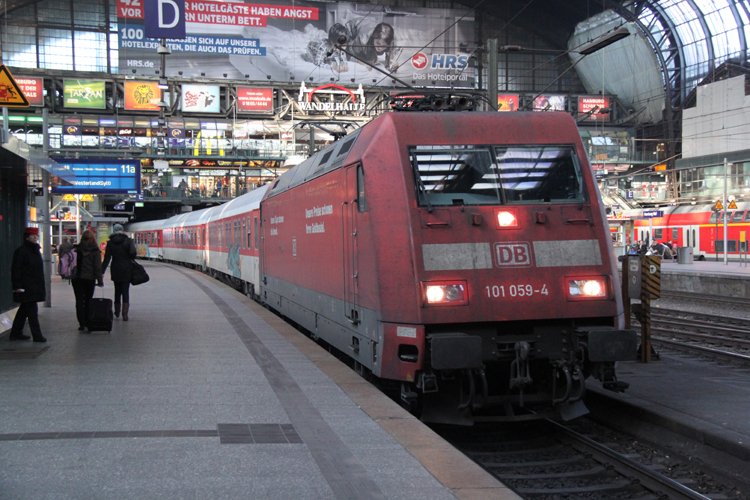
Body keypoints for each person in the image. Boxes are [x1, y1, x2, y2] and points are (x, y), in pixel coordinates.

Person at [9, 227, 47, 342]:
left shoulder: (35, 251)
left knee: (24, 310)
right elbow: (16, 269)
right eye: (32, 236)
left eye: (36, 236)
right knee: (32, 311)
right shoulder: (21, 251)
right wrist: (17, 286)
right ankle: (37, 335)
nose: (35, 238)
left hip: (33, 285)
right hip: (27, 286)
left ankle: (16, 332)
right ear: (27, 237)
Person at [102, 224, 137, 321]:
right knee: (125, 291)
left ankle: (117, 311)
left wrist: (102, 271)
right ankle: (125, 314)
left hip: (115, 268)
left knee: (117, 291)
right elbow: (133, 254)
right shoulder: (128, 241)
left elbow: (107, 258)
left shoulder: (110, 243)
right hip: (126, 269)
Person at [72, 230, 104, 331]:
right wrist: (100, 280)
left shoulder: (77, 249)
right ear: (93, 238)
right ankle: (88, 321)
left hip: (77, 278)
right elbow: (97, 267)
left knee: (79, 301)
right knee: (88, 300)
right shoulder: (95, 251)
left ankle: (81, 323)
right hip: (90, 279)